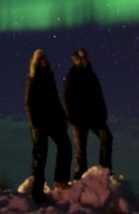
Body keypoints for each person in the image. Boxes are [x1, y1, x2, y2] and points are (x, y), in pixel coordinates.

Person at [24, 49, 71, 203]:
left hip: (52, 120)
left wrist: (63, 117)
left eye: (45, 58)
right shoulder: (33, 78)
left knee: (65, 144)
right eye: (41, 59)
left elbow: (55, 100)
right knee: (40, 154)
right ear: (36, 62)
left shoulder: (49, 77)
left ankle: (61, 181)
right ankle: (36, 192)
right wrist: (34, 124)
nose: (44, 61)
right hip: (39, 122)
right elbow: (28, 102)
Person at [62, 48, 113, 179]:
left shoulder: (92, 76)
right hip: (78, 119)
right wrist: (71, 116)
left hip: (94, 117)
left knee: (107, 138)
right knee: (80, 150)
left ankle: (104, 170)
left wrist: (103, 114)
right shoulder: (73, 74)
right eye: (84, 57)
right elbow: (66, 97)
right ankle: (79, 179)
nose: (88, 59)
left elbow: (99, 96)